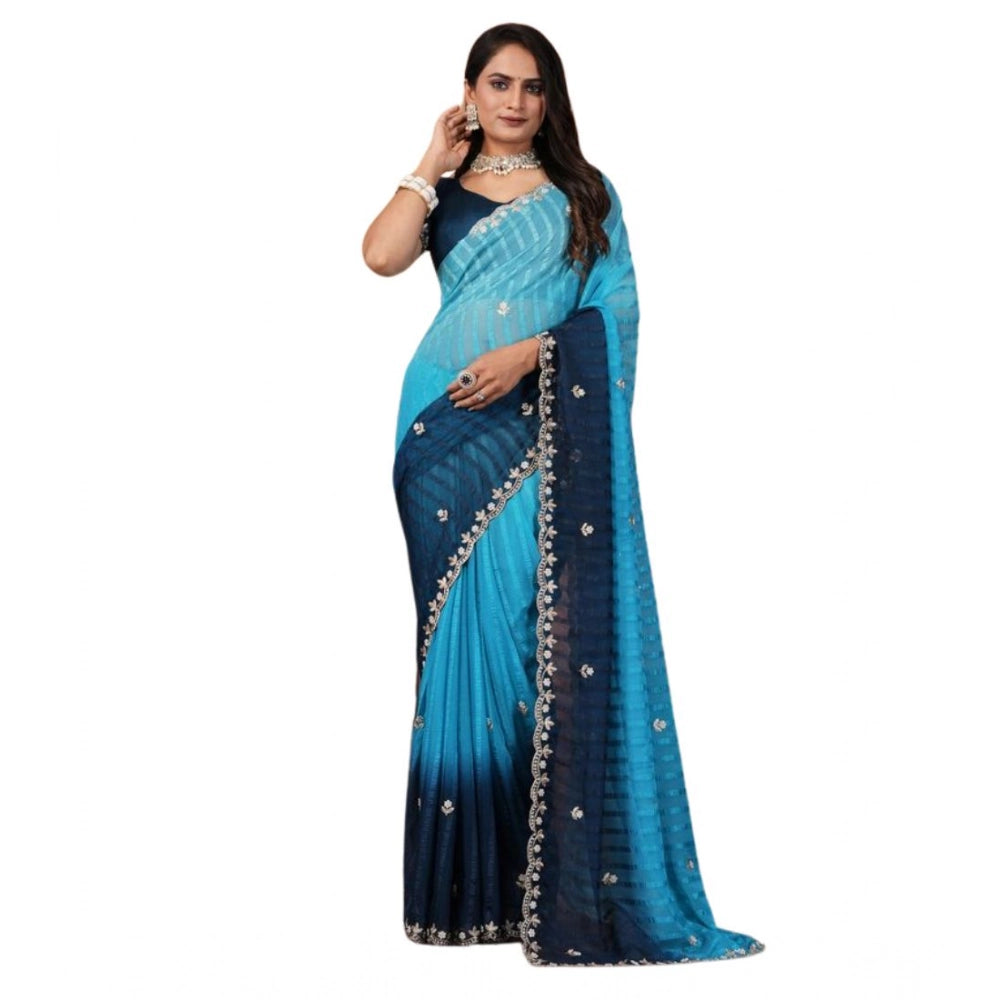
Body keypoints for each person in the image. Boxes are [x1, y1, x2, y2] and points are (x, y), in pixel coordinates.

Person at [362, 22, 765, 968]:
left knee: (532, 634)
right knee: (460, 645)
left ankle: (548, 882)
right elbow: (379, 256)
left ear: (552, 100)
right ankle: (464, 895)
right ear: (470, 93)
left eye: (533, 87)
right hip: (440, 439)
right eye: (498, 84)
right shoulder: (445, 192)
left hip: (539, 432)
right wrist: (429, 160)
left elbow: (615, 315)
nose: (515, 101)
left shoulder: (585, 194)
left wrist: (534, 355)